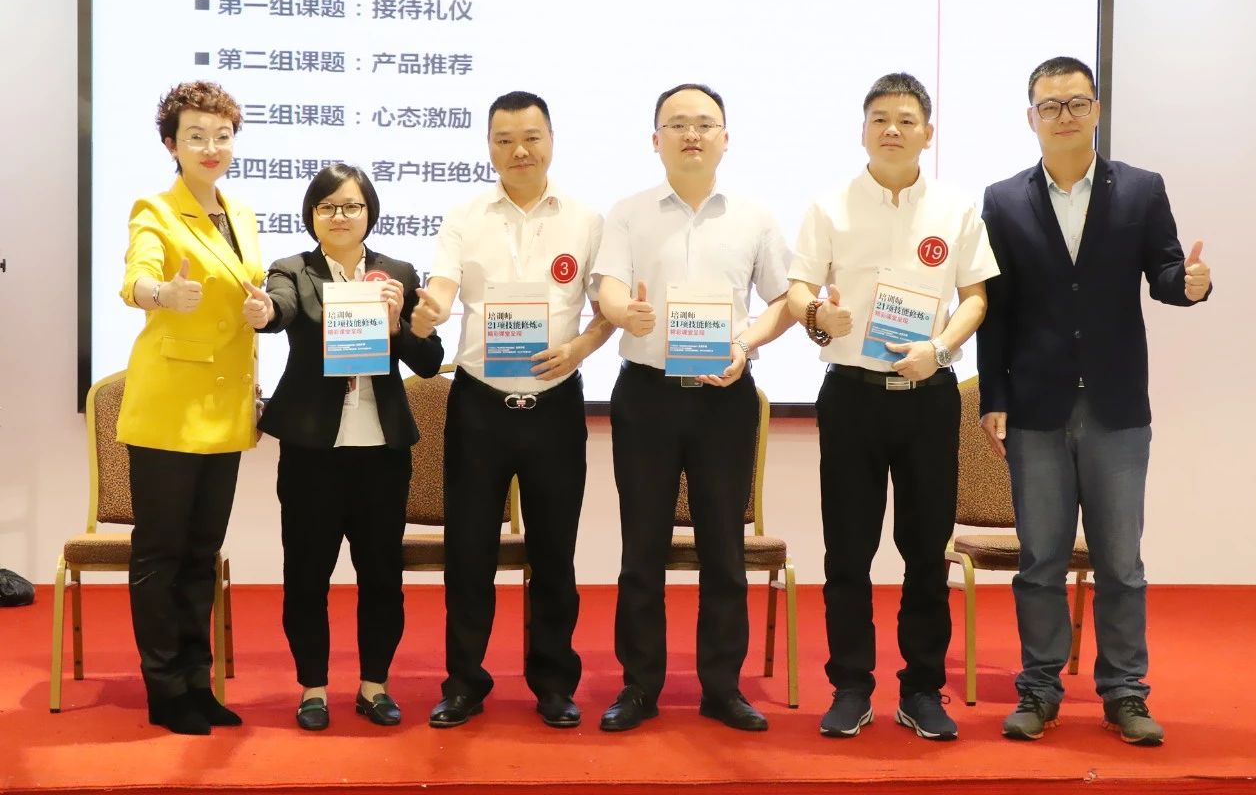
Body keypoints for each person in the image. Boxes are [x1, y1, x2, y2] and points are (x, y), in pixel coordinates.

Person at [977, 56, 1211, 746]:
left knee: (1121, 563)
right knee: (1040, 561)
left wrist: (1188, 283)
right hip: (1036, 407)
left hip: (1116, 406)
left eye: (1077, 103)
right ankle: (1039, 689)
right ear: (1031, 117)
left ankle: (1126, 692)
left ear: (1097, 110)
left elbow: (1163, 270)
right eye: (1050, 106)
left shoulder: (1140, 189)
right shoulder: (1003, 200)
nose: (1065, 116)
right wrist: (994, 396)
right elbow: (995, 310)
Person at [787, 73, 998, 742]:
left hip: (928, 400)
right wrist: (817, 314)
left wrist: (940, 349)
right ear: (862, 130)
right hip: (852, 396)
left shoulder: (956, 209)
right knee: (848, 552)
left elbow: (975, 297)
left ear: (927, 133)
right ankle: (851, 686)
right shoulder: (830, 206)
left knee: (924, 552)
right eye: (879, 118)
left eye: (906, 119)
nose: (892, 130)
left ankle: (922, 689)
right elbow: (799, 290)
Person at [594, 82, 794, 733]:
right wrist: (625, 312)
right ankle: (640, 686)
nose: (691, 134)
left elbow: (784, 301)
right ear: (655, 139)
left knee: (724, 549)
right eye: (677, 123)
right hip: (646, 396)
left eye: (704, 123)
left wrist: (745, 343)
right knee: (641, 549)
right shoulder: (627, 214)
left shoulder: (755, 217)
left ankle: (722, 688)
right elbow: (609, 290)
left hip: (723, 399)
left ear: (725, 138)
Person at [409, 90, 613, 730]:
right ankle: (463, 683)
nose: (519, 150)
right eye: (504, 140)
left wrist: (578, 349)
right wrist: (430, 310)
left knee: (555, 553)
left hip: (555, 405)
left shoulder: (586, 220)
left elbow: (604, 308)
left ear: (551, 140)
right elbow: (442, 288)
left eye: (530, 137)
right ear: (489, 147)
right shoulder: (465, 215)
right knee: (468, 553)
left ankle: (553, 683)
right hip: (479, 406)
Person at [249, 164, 444, 731]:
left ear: (369, 213)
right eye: (327, 206)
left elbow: (429, 362)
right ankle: (313, 688)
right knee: (306, 575)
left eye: (352, 205)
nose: (340, 216)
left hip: (382, 451)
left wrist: (399, 326)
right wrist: (265, 312)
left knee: (381, 575)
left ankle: (374, 686)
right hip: (314, 451)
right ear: (312, 215)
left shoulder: (397, 274)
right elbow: (280, 309)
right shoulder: (293, 270)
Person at [116, 80, 263, 735]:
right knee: (161, 553)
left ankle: (198, 683)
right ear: (171, 144)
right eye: (196, 136)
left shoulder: (243, 213)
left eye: (222, 135)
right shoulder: (155, 209)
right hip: (169, 409)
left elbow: (245, 291)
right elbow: (136, 276)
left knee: (203, 553)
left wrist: (263, 308)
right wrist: (160, 295)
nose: (211, 147)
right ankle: (164, 687)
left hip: (226, 409)